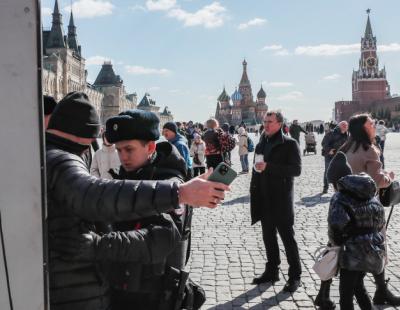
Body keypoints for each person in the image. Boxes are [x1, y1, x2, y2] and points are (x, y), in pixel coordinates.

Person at [46, 91, 229, 310]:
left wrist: (99, 245)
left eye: (129, 149)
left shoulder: (169, 180)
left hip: (152, 296)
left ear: (150, 147)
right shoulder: (124, 176)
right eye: (119, 149)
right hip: (121, 291)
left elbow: (160, 238)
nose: (123, 156)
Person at [316, 113, 399, 308]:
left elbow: (335, 175)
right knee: (375, 247)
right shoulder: (369, 149)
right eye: (370, 123)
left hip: (344, 209)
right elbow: (375, 180)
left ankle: (324, 293)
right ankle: (380, 291)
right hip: (365, 211)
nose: (373, 125)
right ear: (363, 128)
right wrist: (389, 177)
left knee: (336, 249)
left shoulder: (346, 147)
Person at [250, 111, 302, 292]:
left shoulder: (289, 143)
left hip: (281, 199)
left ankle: (295, 276)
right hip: (264, 197)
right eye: (265, 121)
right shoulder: (261, 143)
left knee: (288, 239)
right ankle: (272, 271)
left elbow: (296, 170)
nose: (266, 124)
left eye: (270, 122)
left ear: (280, 123)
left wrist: (269, 167)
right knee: (268, 238)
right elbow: (256, 169)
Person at [326, 153, 386, 310]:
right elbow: (380, 224)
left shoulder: (339, 197)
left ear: (337, 181)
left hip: (352, 253)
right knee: (358, 286)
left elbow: (335, 225)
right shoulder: (372, 197)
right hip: (373, 251)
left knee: (346, 295)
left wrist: (338, 243)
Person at [321, 121, 348, 194]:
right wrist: (329, 150)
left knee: (340, 171)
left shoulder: (346, 135)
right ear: (340, 126)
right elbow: (324, 143)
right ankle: (325, 188)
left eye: (346, 126)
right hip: (329, 155)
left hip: (340, 155)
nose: (346, 128)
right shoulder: (331, 133)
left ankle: (339, 188)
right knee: (327, 171)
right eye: (344, 126)